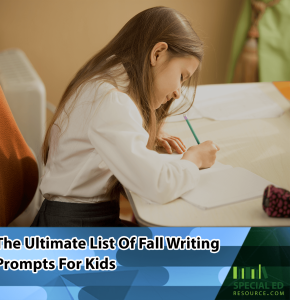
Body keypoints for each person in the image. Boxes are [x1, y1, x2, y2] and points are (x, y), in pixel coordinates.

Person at [31, 6, 220, 227]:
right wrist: (193, 159)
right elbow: (159, 184)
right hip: (72, 232)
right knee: (183, 247)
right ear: (157, 53)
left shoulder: (107, 78)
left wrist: (142, 131)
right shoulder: (111, 100)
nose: (178, 91)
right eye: (181, 76)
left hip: (72, 219)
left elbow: (112, 125)